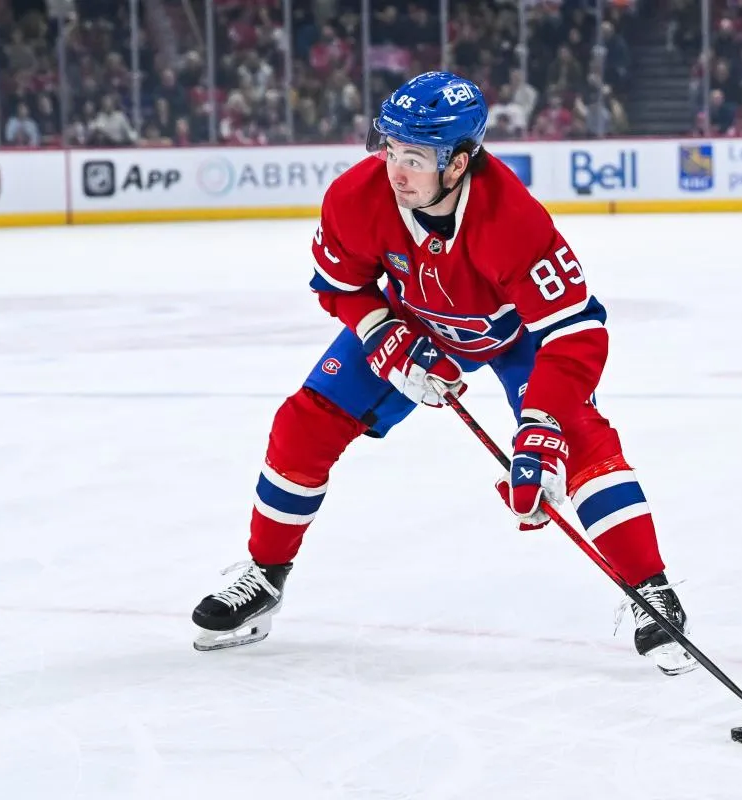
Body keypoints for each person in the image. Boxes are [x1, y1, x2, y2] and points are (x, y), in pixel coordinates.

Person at [191, 71, 697, 676]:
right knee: (302, 425)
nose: (395, 170)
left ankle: (652, 590)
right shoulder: (356, 198)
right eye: (389, 150)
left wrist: (540, 427)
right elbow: (341, 287)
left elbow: (574, 332)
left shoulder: (513, 220)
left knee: (579, 439)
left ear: (457, 164)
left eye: (414, 157)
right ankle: (264, 577)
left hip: (517, 339)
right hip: (418, 325)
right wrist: (385, 336)